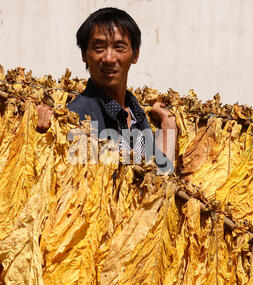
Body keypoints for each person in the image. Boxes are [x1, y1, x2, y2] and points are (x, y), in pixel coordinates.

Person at [36, 7, 176, 172]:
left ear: (135, 54)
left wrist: (168, 128)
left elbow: (159, 181)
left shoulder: (138, 114)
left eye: (119, 47)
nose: (109, 58)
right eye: (99, 47)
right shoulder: (77, 119)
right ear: (84, 54)